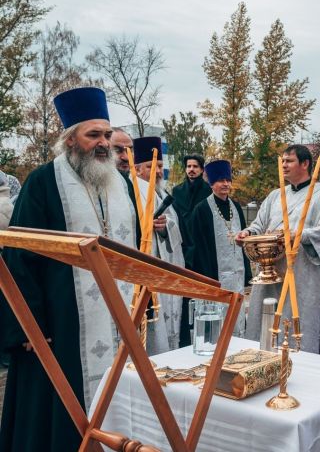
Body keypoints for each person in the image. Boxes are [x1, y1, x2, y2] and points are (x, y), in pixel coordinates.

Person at [0, 86, 139, 452]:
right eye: (93, 134)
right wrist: (30, 325)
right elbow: (20, 257)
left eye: (107, 134)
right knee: (57, 417)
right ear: (70, 139)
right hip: (59, 327)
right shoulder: (44, 182)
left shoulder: (120, 184)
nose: (104, 143)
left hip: (116, 318)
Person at [237, 145, 320, 353]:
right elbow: (259, 224)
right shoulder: (275, 195)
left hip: (303, 275)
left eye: (289, 161)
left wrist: (298, 235)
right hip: (270, 272)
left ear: (305, 164)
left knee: (297, 323)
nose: (283, 165)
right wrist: (248, 233)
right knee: (264, 323)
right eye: (282, 161)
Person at [130, 136, 184, 354]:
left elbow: (174, 229)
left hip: (166, 265)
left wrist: (163, 227)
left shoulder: (160, 192)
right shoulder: (135, 190)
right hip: (149, 267)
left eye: (160, 166)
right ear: (137, 168)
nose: (158, 171)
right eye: (151, 166)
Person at [188, 160, 252, 334]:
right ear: (211, 184)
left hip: (237, 274)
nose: (225, 184)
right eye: (220, 180)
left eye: (228, 180)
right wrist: (208, 278)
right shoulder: (201, 210)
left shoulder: (236, 207)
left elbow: (244, 241)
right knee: (217, 323)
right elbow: (198, 248)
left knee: (237, 319)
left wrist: (247, 272)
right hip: (215, 275)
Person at [171, 153, 212, 345]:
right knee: (185, 294)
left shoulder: (208, 192)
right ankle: (185, 337)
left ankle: (205, 334)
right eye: (188, 166)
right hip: (182, 247)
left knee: (203, 291)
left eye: (195, 166)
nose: (191, 170)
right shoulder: (177, 191)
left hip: (202, 248)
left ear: (202, 169)